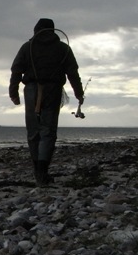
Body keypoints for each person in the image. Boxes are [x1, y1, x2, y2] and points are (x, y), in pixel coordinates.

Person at [9, 18, 85, 186]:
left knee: (33, 132)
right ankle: (42, 172)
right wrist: (79, 94)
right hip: (53, 91)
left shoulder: (26, 47)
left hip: (31, 91)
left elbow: (16, 71)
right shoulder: (63, 49)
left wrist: (13, 93)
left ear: (36, 31)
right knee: (48, 132)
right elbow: (73, 74)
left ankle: (38, 171)